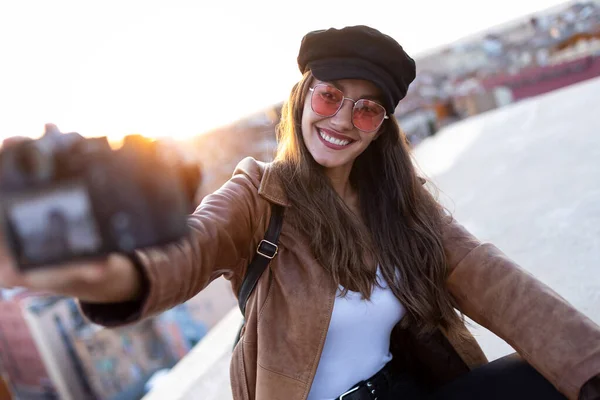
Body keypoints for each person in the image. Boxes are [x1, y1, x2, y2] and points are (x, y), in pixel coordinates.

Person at [0, 25, 599, 400]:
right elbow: (186, 251)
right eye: (330, 95)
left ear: (383, 128)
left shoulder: (402, 207)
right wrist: (89, 273)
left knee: (550, 374)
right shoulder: (258, 197)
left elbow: (499, 283)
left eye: (366, 110)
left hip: (406, 390)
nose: (341, 120)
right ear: (303, 97)